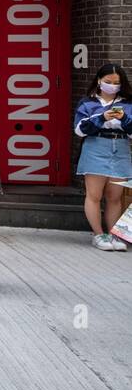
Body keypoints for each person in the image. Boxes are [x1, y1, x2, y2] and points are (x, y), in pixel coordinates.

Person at [73, 63, 132, 251]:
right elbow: (80, 130)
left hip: (121, 147)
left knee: (115, 196)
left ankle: (114, 235)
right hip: (96, 146)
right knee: (94, 194)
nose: (112, 86)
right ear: (99, 81)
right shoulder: (87, 102)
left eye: (117, 82)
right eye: (108, 81)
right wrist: (102, 117)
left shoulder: (128, 103)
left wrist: (124, 119)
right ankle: (98, 234)